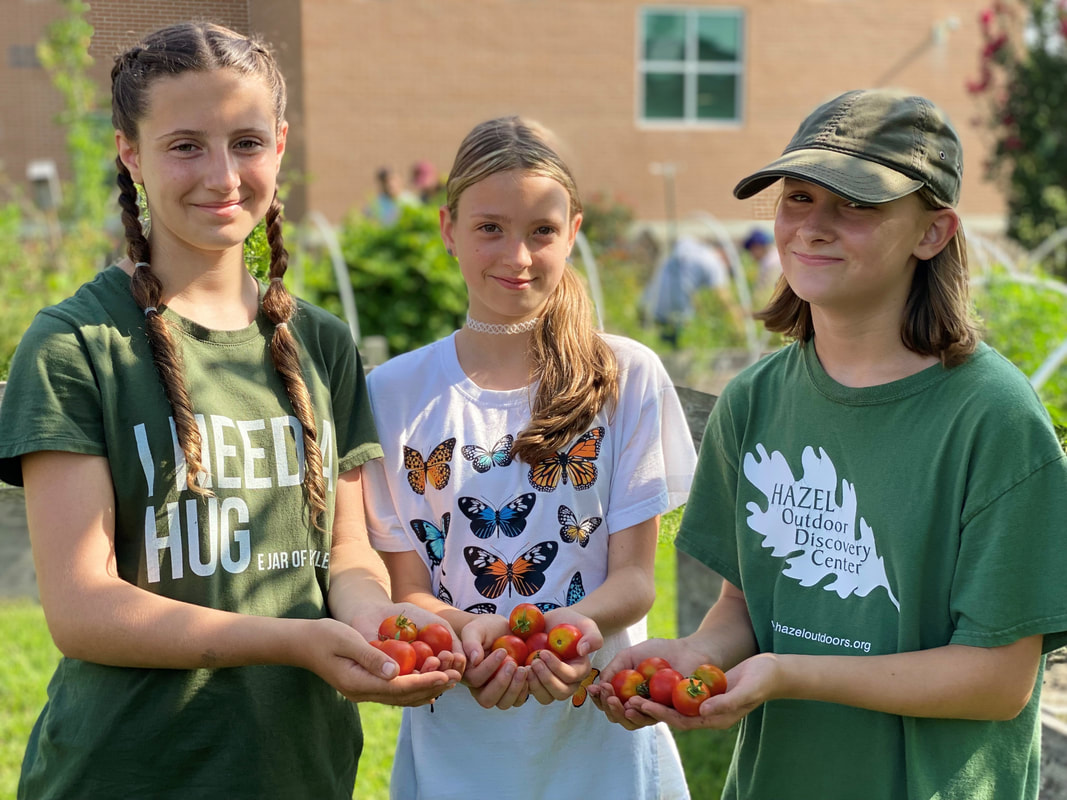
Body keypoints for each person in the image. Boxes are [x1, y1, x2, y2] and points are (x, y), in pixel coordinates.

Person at [0, 22, 462, 800]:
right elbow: (81, 610)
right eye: (185, 145)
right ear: (129, 153)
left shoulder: (321, 343)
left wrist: (377, 626)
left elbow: (347, 552)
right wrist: (294, 642)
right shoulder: (77, 344)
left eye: (246, 142)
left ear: (280, 146)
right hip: (125, 774)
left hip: (298, 771)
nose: (222, 175)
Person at [588, 88, 1067, 799]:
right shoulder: (756, 401)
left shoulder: (991, 417)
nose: (812, 227)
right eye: (800, 197)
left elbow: (995, 681)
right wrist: (695, 659)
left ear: (931, 232)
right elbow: (747, 606)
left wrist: (792, 672)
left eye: (856, 205)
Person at [362, 116, 697, 799]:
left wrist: (575, 628)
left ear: (572, 231)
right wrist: (471, 630)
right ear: (447, 228)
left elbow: (634, 579)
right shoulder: (393, 393)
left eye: (541, 231)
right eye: (490, 228)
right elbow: (409, 589)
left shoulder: (625, 375)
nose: (516, 255)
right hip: (457, 743)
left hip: (600, 740)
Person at [641, 234, 738, 347]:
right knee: (677, 352)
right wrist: (737, 326)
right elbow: (723, 298)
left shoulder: (694, 252)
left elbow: (687, 285)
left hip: (649, 305)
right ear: (725, 255)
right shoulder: (715, 263)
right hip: (676, 315)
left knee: (657, 349)